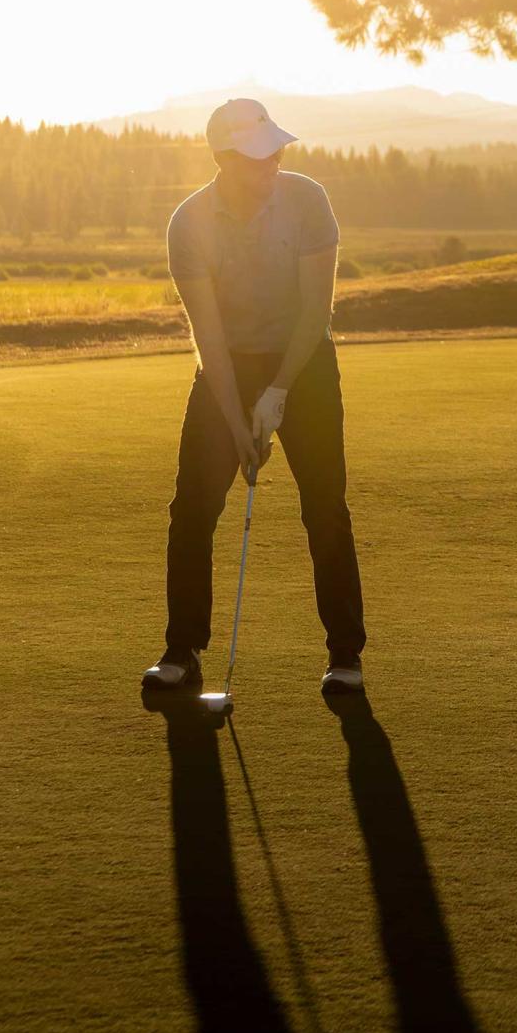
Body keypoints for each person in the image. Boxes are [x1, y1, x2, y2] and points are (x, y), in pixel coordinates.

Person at [142, 97, 366, 696]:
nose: (274, 161)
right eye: (259, 155)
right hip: (227, 366)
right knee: (192, 509)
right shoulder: (189, 222)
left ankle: (345, 654)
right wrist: (237, 421)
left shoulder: (307, 200)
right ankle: (182, 649)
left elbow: (316, 310)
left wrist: (279, 393)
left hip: (305, 363)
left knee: (325, 506)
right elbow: (207, 333)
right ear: (224, 159)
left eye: (277, 149)